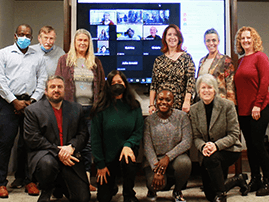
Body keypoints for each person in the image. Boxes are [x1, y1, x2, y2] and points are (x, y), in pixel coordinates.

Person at [23, 75, 90, 202]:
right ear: (46, 91)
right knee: (47, 163)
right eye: (52, 87)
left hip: (70, 156)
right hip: (45, 156)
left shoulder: (77, 109)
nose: (56, 90)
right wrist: (58, 151)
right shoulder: (32, 110)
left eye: (60, 87)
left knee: (83, 198)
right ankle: (46, 190)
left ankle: (59, 186)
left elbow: (83, 134)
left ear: (65, 90)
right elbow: (33, 139)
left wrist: (71, 147)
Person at [0, 24, 47, 198]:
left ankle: (30, 181)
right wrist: (14, 101)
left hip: (31, 103)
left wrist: (33, 100)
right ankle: (1, 183)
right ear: (15, 35)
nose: (24, 37)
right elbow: (1, 80)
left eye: (28, 35)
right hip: (7, 102)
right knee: (5, 143)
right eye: (21, 34)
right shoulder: (4, 54)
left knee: (29, 144)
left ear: (32, 38)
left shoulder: (38, 57)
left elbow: (42, 80)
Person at [55, 28, 105, 191]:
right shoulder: (64, 60)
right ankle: (68, 182)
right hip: (71, 111)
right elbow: (58, 84)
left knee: (88, 146)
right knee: (70, 144)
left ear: (89, 43)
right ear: (74, 43)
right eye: (79, 40)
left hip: (91, 110)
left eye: (85, 40)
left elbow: (102, 86)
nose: (82, 43)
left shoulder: (95, 61)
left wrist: (98, 105)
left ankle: (86, 181)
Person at [190, 74, 247, 202]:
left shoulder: (227, 105)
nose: (206, 91)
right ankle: (236, 180)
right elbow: (196, 137)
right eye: (203, 87)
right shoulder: (194, 110)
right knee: (210, 196)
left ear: (215, 90)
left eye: (210, 87)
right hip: (207, 151)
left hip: (229, 149)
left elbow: (233, 134)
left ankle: (222, 195)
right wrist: (203, 146)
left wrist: (216, 145)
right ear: (198, 91)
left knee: (211, 160)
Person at [91, 70, 144, 202]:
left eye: (119, 82)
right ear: (108, 85)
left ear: (125, 84)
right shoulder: (100, 108)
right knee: (103, 198)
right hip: (106, 156)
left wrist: (128, 144)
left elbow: (138, 131)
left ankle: (129, 193)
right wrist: (100, 165)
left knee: (128, 159)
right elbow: (95, 138)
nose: (116, 85)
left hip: (127, 153)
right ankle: (112, 186)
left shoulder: (135, 106)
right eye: (113, 83)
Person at [234, 26, 269, 196]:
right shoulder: (240, 61)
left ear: (254, 39)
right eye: (242, 39)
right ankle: (256, 179)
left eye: (248, 38)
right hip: (243, 111)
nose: (246, 41)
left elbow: (264, 83)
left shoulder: (260, 57)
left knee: (258, 145)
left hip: (259, 108)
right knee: (251, 146)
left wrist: (257, 105)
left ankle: (268, 181)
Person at [144, 89, 192, 202]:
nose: (164, 102)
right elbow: (147, 147)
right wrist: (157, 171)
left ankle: (177, 190)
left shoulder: (182, 117)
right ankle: (152, 189)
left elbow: (187, 141)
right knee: (154, 184)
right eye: (160, 99)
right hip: (155, 160)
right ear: (156, 101)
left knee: (185, 163)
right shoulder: (149, 120)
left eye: (168, 100)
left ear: (173, 103)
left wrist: (168, 157)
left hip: (176, 158)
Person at [149, 24, 195, 115]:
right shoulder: (159, 60)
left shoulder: (186, 57)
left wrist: (187, 101)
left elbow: (191, 82)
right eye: (169, 34)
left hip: (181, 107)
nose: (172, 37)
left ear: (179, 38)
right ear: (165, 38)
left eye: (175, 35)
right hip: (162, 107)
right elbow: (154, 84)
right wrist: (151, 105)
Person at [197, 28, 236, 104]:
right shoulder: (202, 61)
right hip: (203, 103)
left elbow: (230, 86)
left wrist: (230, 106)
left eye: (214, 40)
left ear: (218, 42)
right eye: (208, 41)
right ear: (205, 43)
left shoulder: (225, 60)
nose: (211, 43)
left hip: (220, 103)